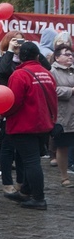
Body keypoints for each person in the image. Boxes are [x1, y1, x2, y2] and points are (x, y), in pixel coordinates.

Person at [3, 42, 57, 210]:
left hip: (24, 124)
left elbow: (14, 102)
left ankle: (38, 198)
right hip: (44, 124)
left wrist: (3, 113)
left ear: (21, 57)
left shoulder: (19, 75)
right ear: (37, 56)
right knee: (31, 159)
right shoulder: (47, 73)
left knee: (31, 161)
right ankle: (26, 191)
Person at [50, 45, 74, 188]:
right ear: (57, 57)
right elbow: (52, 90)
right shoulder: (52, 72)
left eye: (71, 54)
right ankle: (64, 176)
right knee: (63, 146)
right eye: (66, 54)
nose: (70, 57)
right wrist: (70, 91)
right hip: (64, 115)